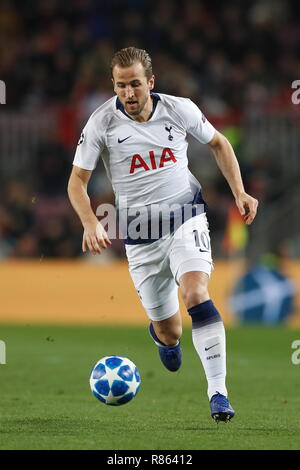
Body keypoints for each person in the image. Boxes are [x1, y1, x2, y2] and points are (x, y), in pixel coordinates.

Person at [68, 47, 258, 422]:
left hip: (186, 216)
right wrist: (90, 221)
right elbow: (77, 181)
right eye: (121, 85)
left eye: (136, 84)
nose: (129, 93)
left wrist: (240, 191)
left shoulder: (179, 108)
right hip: (140, 236)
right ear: (114, 85)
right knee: (171, 331)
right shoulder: (101, 123)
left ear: (150, 82)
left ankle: (218, 393)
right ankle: (165, 340)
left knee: (195, 292)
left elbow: (219, 143)